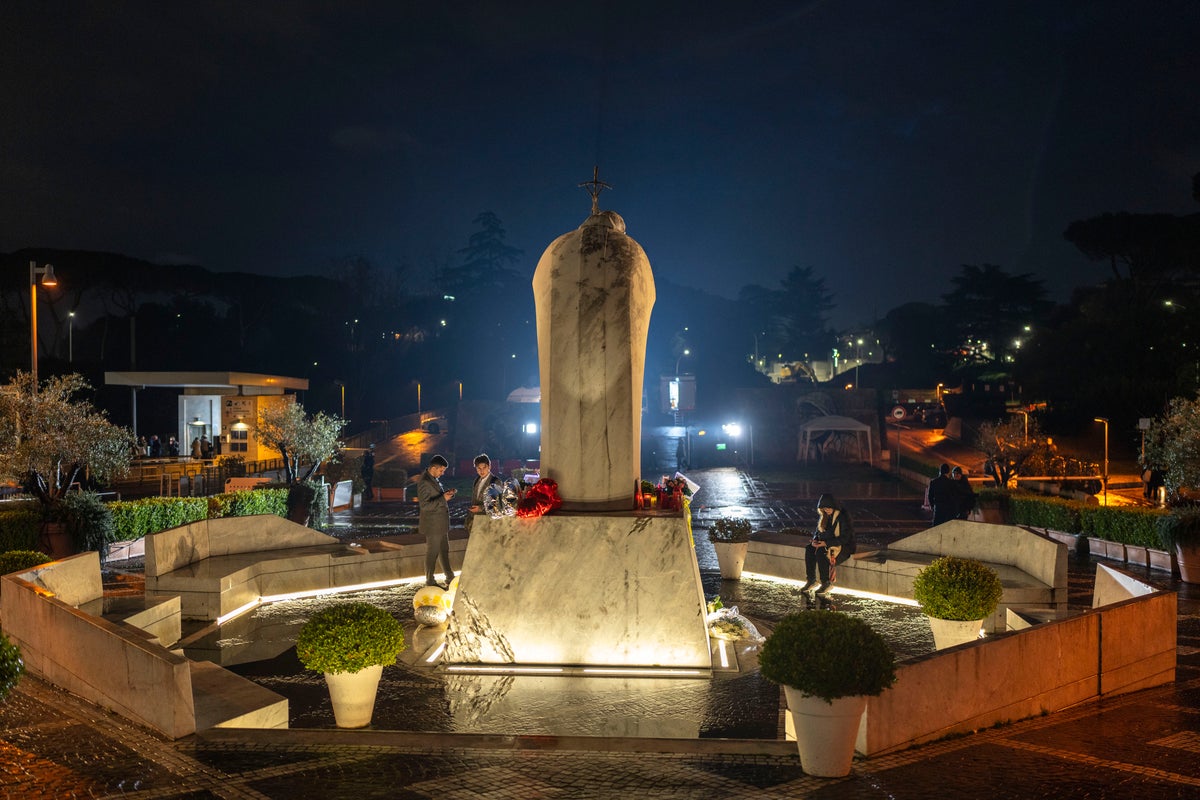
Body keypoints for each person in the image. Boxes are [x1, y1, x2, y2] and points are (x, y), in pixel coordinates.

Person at [801, 493, 856, 596]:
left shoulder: (842, 517)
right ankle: (811, 580)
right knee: (809, 549)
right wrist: (815, 540)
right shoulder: (824, 517)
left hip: (843, 546)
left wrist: (826, 543)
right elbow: (818, 532)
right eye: (824, 509)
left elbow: (846, 537)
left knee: (822, 552)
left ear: (834, 506)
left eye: (829, 508)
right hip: (826, 543)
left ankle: (826, 582)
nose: (827, 510)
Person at [418, 455, 457, 588]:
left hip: (440, 523)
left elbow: (436, 498)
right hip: (433, 524)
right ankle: (430, 581)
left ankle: (450, 576)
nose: (442, 473)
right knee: (432, 552)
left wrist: (446, 494)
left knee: (444, 550)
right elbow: (425, 506)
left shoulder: (432, 478)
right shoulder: (424, 482)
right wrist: (443, 499)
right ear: (434, 468)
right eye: (441, 470)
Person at [466, 453, 501, 532]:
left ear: (489, 467)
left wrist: (480, 508)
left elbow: (498, 504)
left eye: (484, 468)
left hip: (488, 523)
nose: (481, 471)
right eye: (479, 468)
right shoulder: (477, 480)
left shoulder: (495, 482)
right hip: (475, 522)